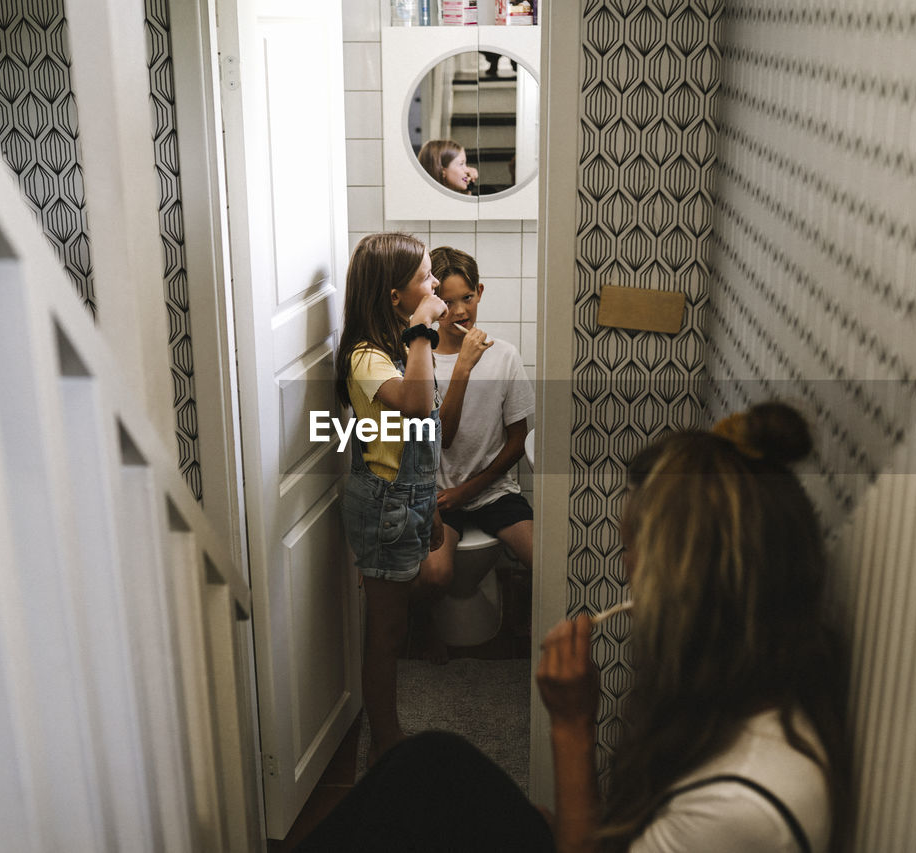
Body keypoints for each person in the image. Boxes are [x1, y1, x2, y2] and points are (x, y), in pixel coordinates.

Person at [299, 402, 853, 853]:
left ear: (693, 578)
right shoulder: (750, 690)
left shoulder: (740, 807)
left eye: (635, 554)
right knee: (430, 763)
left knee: (418, 786)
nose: (627, 573)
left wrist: (570, 724)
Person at [335, 232, 449, 763]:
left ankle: (386, 726)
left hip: (412, 498)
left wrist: (434, 503)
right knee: (384, 632)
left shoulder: (398, 347)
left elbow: (427, 436)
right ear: (394, 296)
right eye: (425, 277)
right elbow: (419, 407)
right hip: (385, 504)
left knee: (396, 621)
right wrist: (423, 331)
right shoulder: (365, 357)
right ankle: (384, 740)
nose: (435, 285)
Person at [413, 246, 534, 661]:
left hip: (493, 491)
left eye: (466, 297)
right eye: (446, 302)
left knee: (548, 561)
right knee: (436, 577)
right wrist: (462, 364)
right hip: (440, 498)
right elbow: (438, 438)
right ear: (432, 303)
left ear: (479, 291)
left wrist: (472, 488)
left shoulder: (504, 355)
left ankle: (532, 632)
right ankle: (425, 622)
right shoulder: (421, 359)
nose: (459, 311)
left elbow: (517, 440)